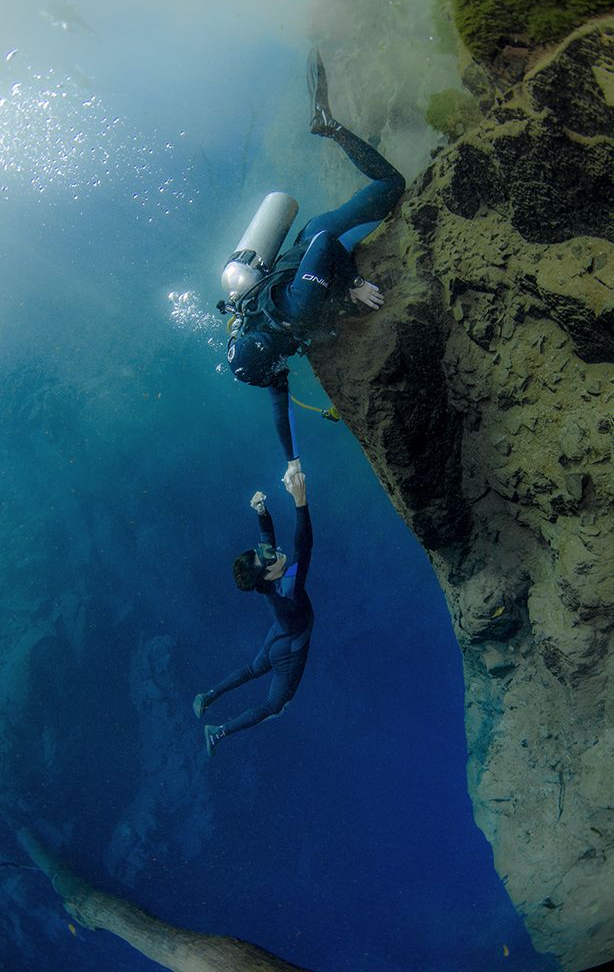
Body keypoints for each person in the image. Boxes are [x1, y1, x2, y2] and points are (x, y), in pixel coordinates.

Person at [225, 49, 406, 485]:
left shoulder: (295, 313)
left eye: (273, 373)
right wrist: (291, 460)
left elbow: (325, 243)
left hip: (318, 237)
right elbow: (278, 406)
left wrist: (356, 283)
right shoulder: (259, 335)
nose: (278, 378)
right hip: (308, 260)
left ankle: (331, 127)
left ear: (266, 354)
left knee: (392, 186)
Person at [193, 471, 313, 757]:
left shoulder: (266, 583)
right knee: (274, 706)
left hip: (278, 635)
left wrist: (262, 514)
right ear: (269, 573)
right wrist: (300, 501)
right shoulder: (288, 588)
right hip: (289, 647)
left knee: (252, 669)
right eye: (268, 557)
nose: (272, 551)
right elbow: (303, 546)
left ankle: (208, 696)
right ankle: (218, 732)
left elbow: (268, 541)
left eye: (264, 550)